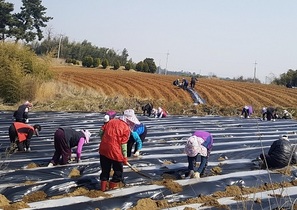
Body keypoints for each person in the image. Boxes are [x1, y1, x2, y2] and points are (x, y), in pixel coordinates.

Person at [99, 109, 140, 192]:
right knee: (118, 171)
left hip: (103, 150)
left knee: (105, 170)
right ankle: (112, 189)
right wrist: (124, 158)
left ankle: (102, 189)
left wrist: (105, 142)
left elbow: (101, 133)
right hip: (115, 152)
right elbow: (124, 145)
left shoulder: (111, 121)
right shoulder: (125, 128)